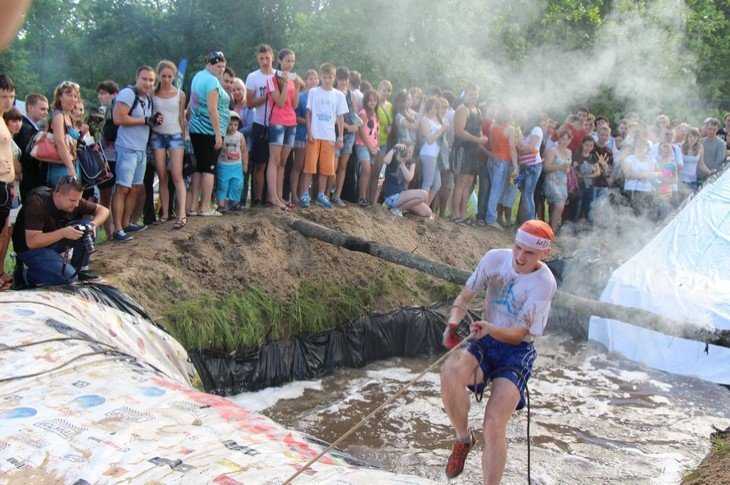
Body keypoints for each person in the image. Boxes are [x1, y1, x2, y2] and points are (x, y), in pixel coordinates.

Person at [440, 219, 557, 484]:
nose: (520, 257)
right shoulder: (495, 258)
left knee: (493, 423)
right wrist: (454, 322)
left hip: (516, 351)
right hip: (485, 339)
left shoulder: (544, 283)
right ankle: (463, 439)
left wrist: (491, 328)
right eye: (517, 248)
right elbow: (464, 297)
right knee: (450, 372)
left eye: (529, 253)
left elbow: (519, 334)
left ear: (544, 253)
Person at [12, 177, 109, 286]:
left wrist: (92, 225)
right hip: (30, 249)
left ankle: (80, 270)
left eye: (78, 200)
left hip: (52, 243)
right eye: (73, 201)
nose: (76, 204)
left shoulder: (73, 198)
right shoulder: (37, 202)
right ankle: (24, 274)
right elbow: (32, 242)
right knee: (68, 278)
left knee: (85, 226)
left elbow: (104, 210)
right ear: (57, 194)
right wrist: (63, 233)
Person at [111, 66, 157, 241]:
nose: (147, 83)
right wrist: (144, 120)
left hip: (141, 149)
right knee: (123, 188)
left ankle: (126, 223)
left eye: (151, 80)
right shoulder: (128, 94)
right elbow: (118, 118)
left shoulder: (148, 98)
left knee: (136, 188)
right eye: (144, 79)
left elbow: (145, 121)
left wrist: (153, 120)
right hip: (127, 148)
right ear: (137, 78)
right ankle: (117, 229)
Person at [188, 51, 231, 217]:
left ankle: (193, 207)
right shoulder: (211, 81)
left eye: (223, 67)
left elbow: (192, 102)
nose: (221, 70)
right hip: (208, 131)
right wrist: (218, 134)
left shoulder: (197, 76)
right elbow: (213, 109)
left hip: (196, 129)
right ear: (209, 64)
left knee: (199, 168)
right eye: (218, 66)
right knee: (208, 169)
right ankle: (205, 207)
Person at [300, 63, 348, 209]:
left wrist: (340, 136)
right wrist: (309, 132)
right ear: (321, 77)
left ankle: (321, 194)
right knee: (309, 167)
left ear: (334, 78)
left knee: (326, 169)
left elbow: (340, 117)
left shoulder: (339, 95)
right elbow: (308, 113)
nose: (327, 80)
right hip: (314, 135)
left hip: (329, 137)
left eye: (330, 77)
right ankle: (305, 194)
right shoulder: (314, 92)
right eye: (325, 77)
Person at [151, 60, 188, 229]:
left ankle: (182, 214)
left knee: (176, 174)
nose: (166, 79)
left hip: (175, 135)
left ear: (174, 77)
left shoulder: (180, 94)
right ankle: (165, 213)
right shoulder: (153, 93)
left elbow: (181, 117)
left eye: (169, 76)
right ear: (159, 76)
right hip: (157, 135)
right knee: (161, 174)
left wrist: (184, 136)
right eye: (163, 76)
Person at [266, 48, 300, 210]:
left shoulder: (293, 79)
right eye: (287, 60)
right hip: (277, 122)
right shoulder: (272, 79)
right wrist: (285, 83)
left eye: (292, 61)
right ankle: (272, 197)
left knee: (283, 162)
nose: (290, 64)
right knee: (274, 160)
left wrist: (297, 87)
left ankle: (279, 196)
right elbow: (279, 102)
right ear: (279, 61)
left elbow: (295, 105)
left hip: (291, 122)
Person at [245, 44, 276, 206]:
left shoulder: (279, 76)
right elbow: (249, 103)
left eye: (267, 58)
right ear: (258, 59)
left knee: (275, 164)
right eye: (261, 58)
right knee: (260, 164)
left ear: (273, 57)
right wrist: (267, 97)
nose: (265, 61)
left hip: (277, 124)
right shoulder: (253, 77)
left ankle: (271, 198)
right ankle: (257, 199)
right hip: (259, 124)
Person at [450, 84, 485, 223]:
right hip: (462, 149)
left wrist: (481, 138)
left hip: (474, 151)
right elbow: (459, 131)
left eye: (475, 94)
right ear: (465, 94)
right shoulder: (462, 109)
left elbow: (479, 129)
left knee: (469, 183)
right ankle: (455, 214)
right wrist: (478, 139)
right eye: (471, 94)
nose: (473, 97)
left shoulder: (478, 110)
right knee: (460, 182)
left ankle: (463, 214)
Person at [44, 81, 81, 187]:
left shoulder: (68, 116)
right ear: (60, 96)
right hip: (61, 166)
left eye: (75, 96)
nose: (73, 99)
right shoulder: (58, 116)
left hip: (72, 163)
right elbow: (60, 143)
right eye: (69, 95)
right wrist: (70, 168)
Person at [290, 69, 318, 208]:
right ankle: (294, 195)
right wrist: (308, 122)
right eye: (310, 78)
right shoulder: (301, 96)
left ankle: (303, 194)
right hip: (301, 134)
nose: (313, 81)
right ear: (305, 81)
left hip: (315, 136)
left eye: (315, 78)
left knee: (308, 168)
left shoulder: (319, 97)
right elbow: (294, 116)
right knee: (298, 166)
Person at [331, 66, 358, 207]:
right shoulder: (333, 93)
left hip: (350, 135)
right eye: (341, 79)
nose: (344, 82)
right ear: (337, 79)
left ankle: (337, 195)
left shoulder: (350, 94)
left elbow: (353, 113)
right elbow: (333, 116)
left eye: (346, 79)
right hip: (335, 132)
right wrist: (348, 127)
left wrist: (358, 123)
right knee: (333, 166)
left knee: (342, 166)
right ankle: (326, 193)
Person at [381, 143, 432, 218]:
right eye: (407, 151)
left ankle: (401, 208)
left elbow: (409, 178)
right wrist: (394, 149)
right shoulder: (394, 157)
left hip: (403, 196)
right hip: (392, 196)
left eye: (410, 152)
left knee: (427, 212)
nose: (408, 154)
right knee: (424, 194)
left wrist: (402, 164)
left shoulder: (411, 162)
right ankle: (397, 209)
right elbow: (385, 161)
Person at [0, 75, 17, 289]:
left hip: (6, 185)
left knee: (3, 232)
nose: (8, 101)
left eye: (11, 96)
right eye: (3, 96)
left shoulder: (3, 120)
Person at [486, 108, 517, 229]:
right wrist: (515, 165)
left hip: (492, 159)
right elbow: (512, 148)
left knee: (493, 189)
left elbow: (490, 143)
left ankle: (490, 216)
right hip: (503, 161)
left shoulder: (493, 126)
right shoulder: (510, 129)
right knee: (496, 190)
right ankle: (491, 219)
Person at [14, 93, 49, 201]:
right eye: (42, 109)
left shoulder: (30, 127)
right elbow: (28, 155)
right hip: (28, 178)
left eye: (47, 110)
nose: (46, 112)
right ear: (30, 107)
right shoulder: (26, 128)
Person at [96, 80, 119, 239]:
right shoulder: (100, 112)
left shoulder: (120, 110)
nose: (101, 96)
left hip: (117, 156)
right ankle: (110, 232)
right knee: (105, 196)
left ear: (114, 94)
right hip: (104, 158)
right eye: (100, 93)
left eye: (104, 93)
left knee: (116, 195)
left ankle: (118, 227)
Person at [542, 128, 573, 233]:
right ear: (558, 139)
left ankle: (550, 228)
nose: (564, 141)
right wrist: (560, 167)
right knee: (559, 205)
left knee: (559, 206)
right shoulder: (552, 150)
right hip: (552, 181)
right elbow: (546, 168)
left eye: (567, 139)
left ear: (570, 140)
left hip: (563, 182)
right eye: (562, 138)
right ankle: (552, 231)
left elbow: (567, 168)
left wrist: (567, 169)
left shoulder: (569, 152)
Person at [418, 96, 447, 204]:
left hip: (436, 155)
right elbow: (429, 140)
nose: (435, 110)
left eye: (437, 108)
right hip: (428, 153)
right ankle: (420, 207)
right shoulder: (424, 120)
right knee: (428, 182)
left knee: (437, 184)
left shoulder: (438, 119)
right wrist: (441, 130)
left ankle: (425, 205)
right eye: (434, 107)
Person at [622, 128, 657, 218]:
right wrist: (642, 174)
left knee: (644, 214)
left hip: (646, 191)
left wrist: (636, 174)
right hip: (631, 190)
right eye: (638, 147)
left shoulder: (651, 160)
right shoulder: (629, 159)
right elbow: (627, 175)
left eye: (643, 147)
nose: (640, 149)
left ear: (647, 149)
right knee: (631, 214)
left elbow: (651, 175)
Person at [216, 110, 246, 212]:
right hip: (223, 165)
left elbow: (244, 150)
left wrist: (245, 164)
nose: (233, 127)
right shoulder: (222, 135)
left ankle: (234, 203)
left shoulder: (240, 136)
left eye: (235, 125)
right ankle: (221, 204)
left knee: (237, 184)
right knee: (223, 184)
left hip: (237, 165)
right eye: (230, 124)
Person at [354, 89, 379, 206]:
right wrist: (370, 147)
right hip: (362, 145)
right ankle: (361, 197)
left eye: (374, 100)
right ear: (366, 101)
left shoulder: (375, 114)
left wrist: (376, 146)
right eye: (370, 100)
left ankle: (365, 197)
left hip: (373, 147)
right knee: (366, 169)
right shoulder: (363, 113)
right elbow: (361, 132)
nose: (372, 102)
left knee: (370, 172)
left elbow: (376, 132)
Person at [370, 80, 393, 204]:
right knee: (369, 169)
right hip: (372, 141)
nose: (386, 93)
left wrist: (390, 128)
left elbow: (391, 122)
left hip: (383, 142)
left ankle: (372, 200)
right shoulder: (374, 103)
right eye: (384, 90)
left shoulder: (390, 106)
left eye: (388, 90)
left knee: (377, 171)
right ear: (378, 89)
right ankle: (362, 197)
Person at [680, 127, 703, 193]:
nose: (692, 138)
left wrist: (709, 172)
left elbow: (701, 164)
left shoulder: (700, 147)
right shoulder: (681, 146)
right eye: (690, 136)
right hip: (682, 180)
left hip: (693, 180)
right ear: (687, 137)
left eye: (695, 137)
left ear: (698, 138)